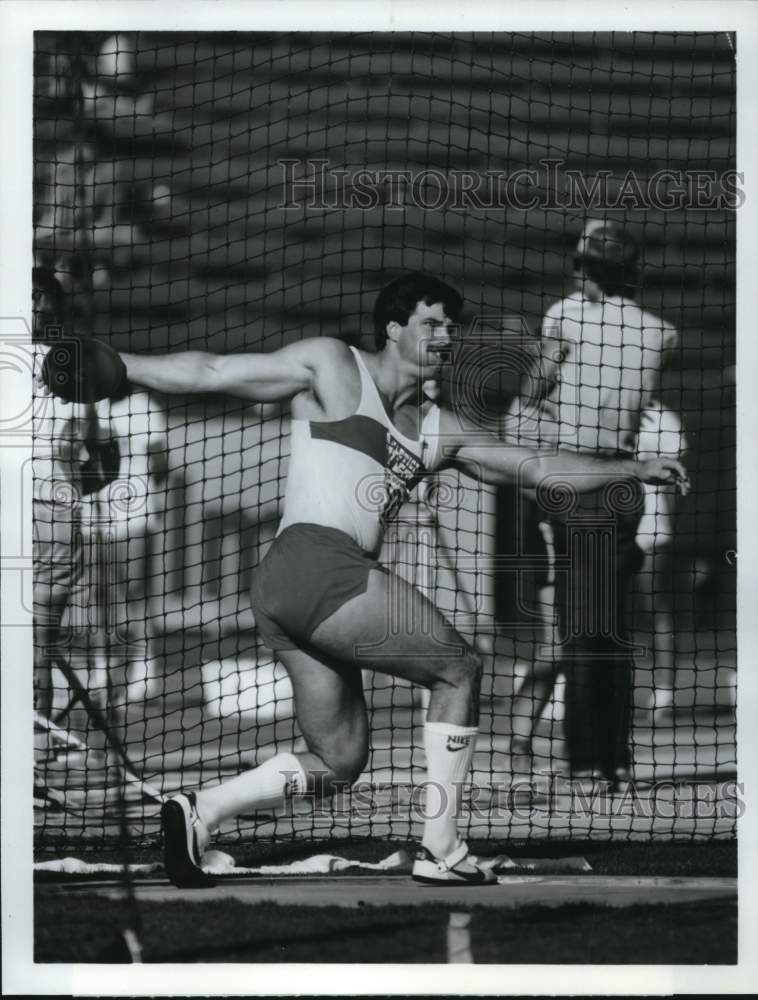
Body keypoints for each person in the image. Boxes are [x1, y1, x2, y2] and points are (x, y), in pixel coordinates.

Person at [46, 272, 687, 886]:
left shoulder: (440, 430)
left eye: (452, 327)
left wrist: (631, 468)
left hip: (290, 592)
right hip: (316, 563)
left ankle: (200, 812)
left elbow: (541, 468)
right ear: (393, 328)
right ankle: (442, 848)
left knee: (340, 761)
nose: (447, 337)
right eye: (432, 323)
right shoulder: (334, 366)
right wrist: (122, 366)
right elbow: (213, 371)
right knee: (458, 667)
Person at [507, 221, 681, 786]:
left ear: (593, 272)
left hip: (574, 481)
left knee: (582, 628)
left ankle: (586, 762)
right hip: (626, 486)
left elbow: (534, 389)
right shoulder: (660, 332)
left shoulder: (567, 315)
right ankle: (615, 758)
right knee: (612, 627)